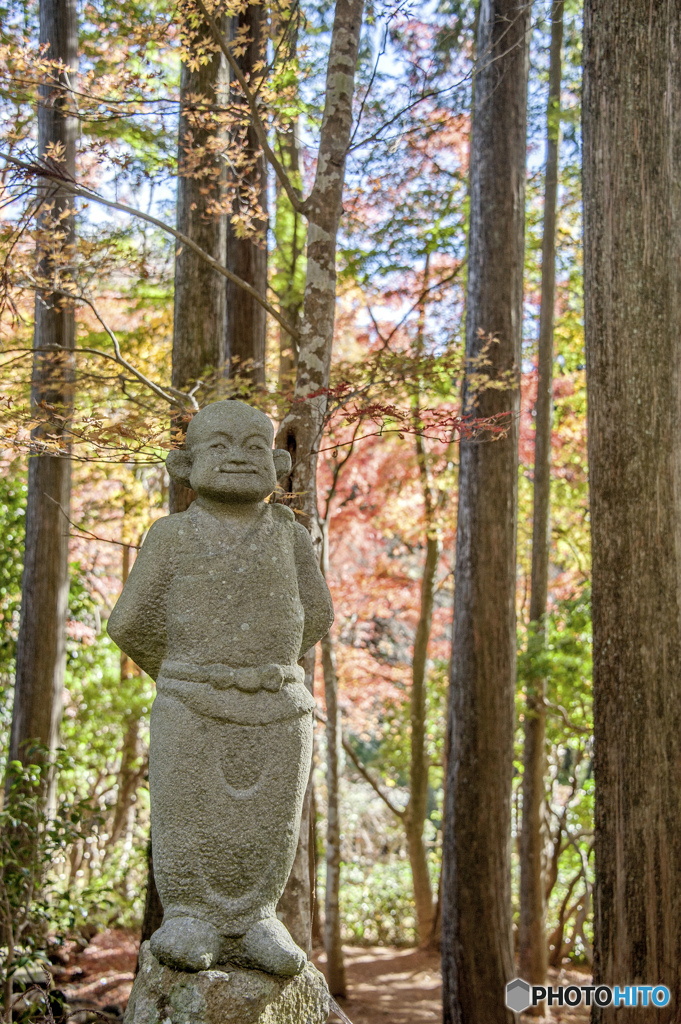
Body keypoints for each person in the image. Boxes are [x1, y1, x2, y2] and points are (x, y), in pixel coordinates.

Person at [108, 400, 334, 976]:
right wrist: (187, 671)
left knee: (269, 816)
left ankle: (258, 916)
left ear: (279, 464)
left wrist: (262, 666)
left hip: (278, 703)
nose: (237, 457)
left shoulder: (290, 535)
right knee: (189, 809)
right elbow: (130, 622)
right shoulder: (172, 535)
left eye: (254, 447)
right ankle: (191, 913)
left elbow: (317, 614)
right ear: (183, 465)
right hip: (190, 700)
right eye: (219, 446)